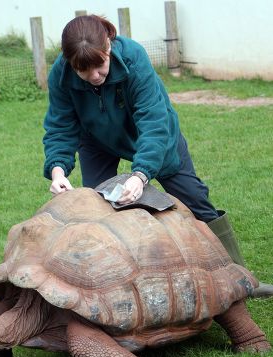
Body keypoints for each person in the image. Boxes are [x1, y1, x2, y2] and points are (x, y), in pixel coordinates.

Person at [42, 14, 268, 287]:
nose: (93, 76)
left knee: (195, 198)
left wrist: (141, 174)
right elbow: (60, 125)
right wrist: (57, 171)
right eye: (83, 71)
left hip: (153, 135)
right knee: (99, 209)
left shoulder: (134, 59)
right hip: (97, 140)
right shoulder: (60, 74)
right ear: (70, 64)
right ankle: (118, 285)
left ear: (108, 49)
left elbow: (153, 121)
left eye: (99, 66)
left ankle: (240, 280)